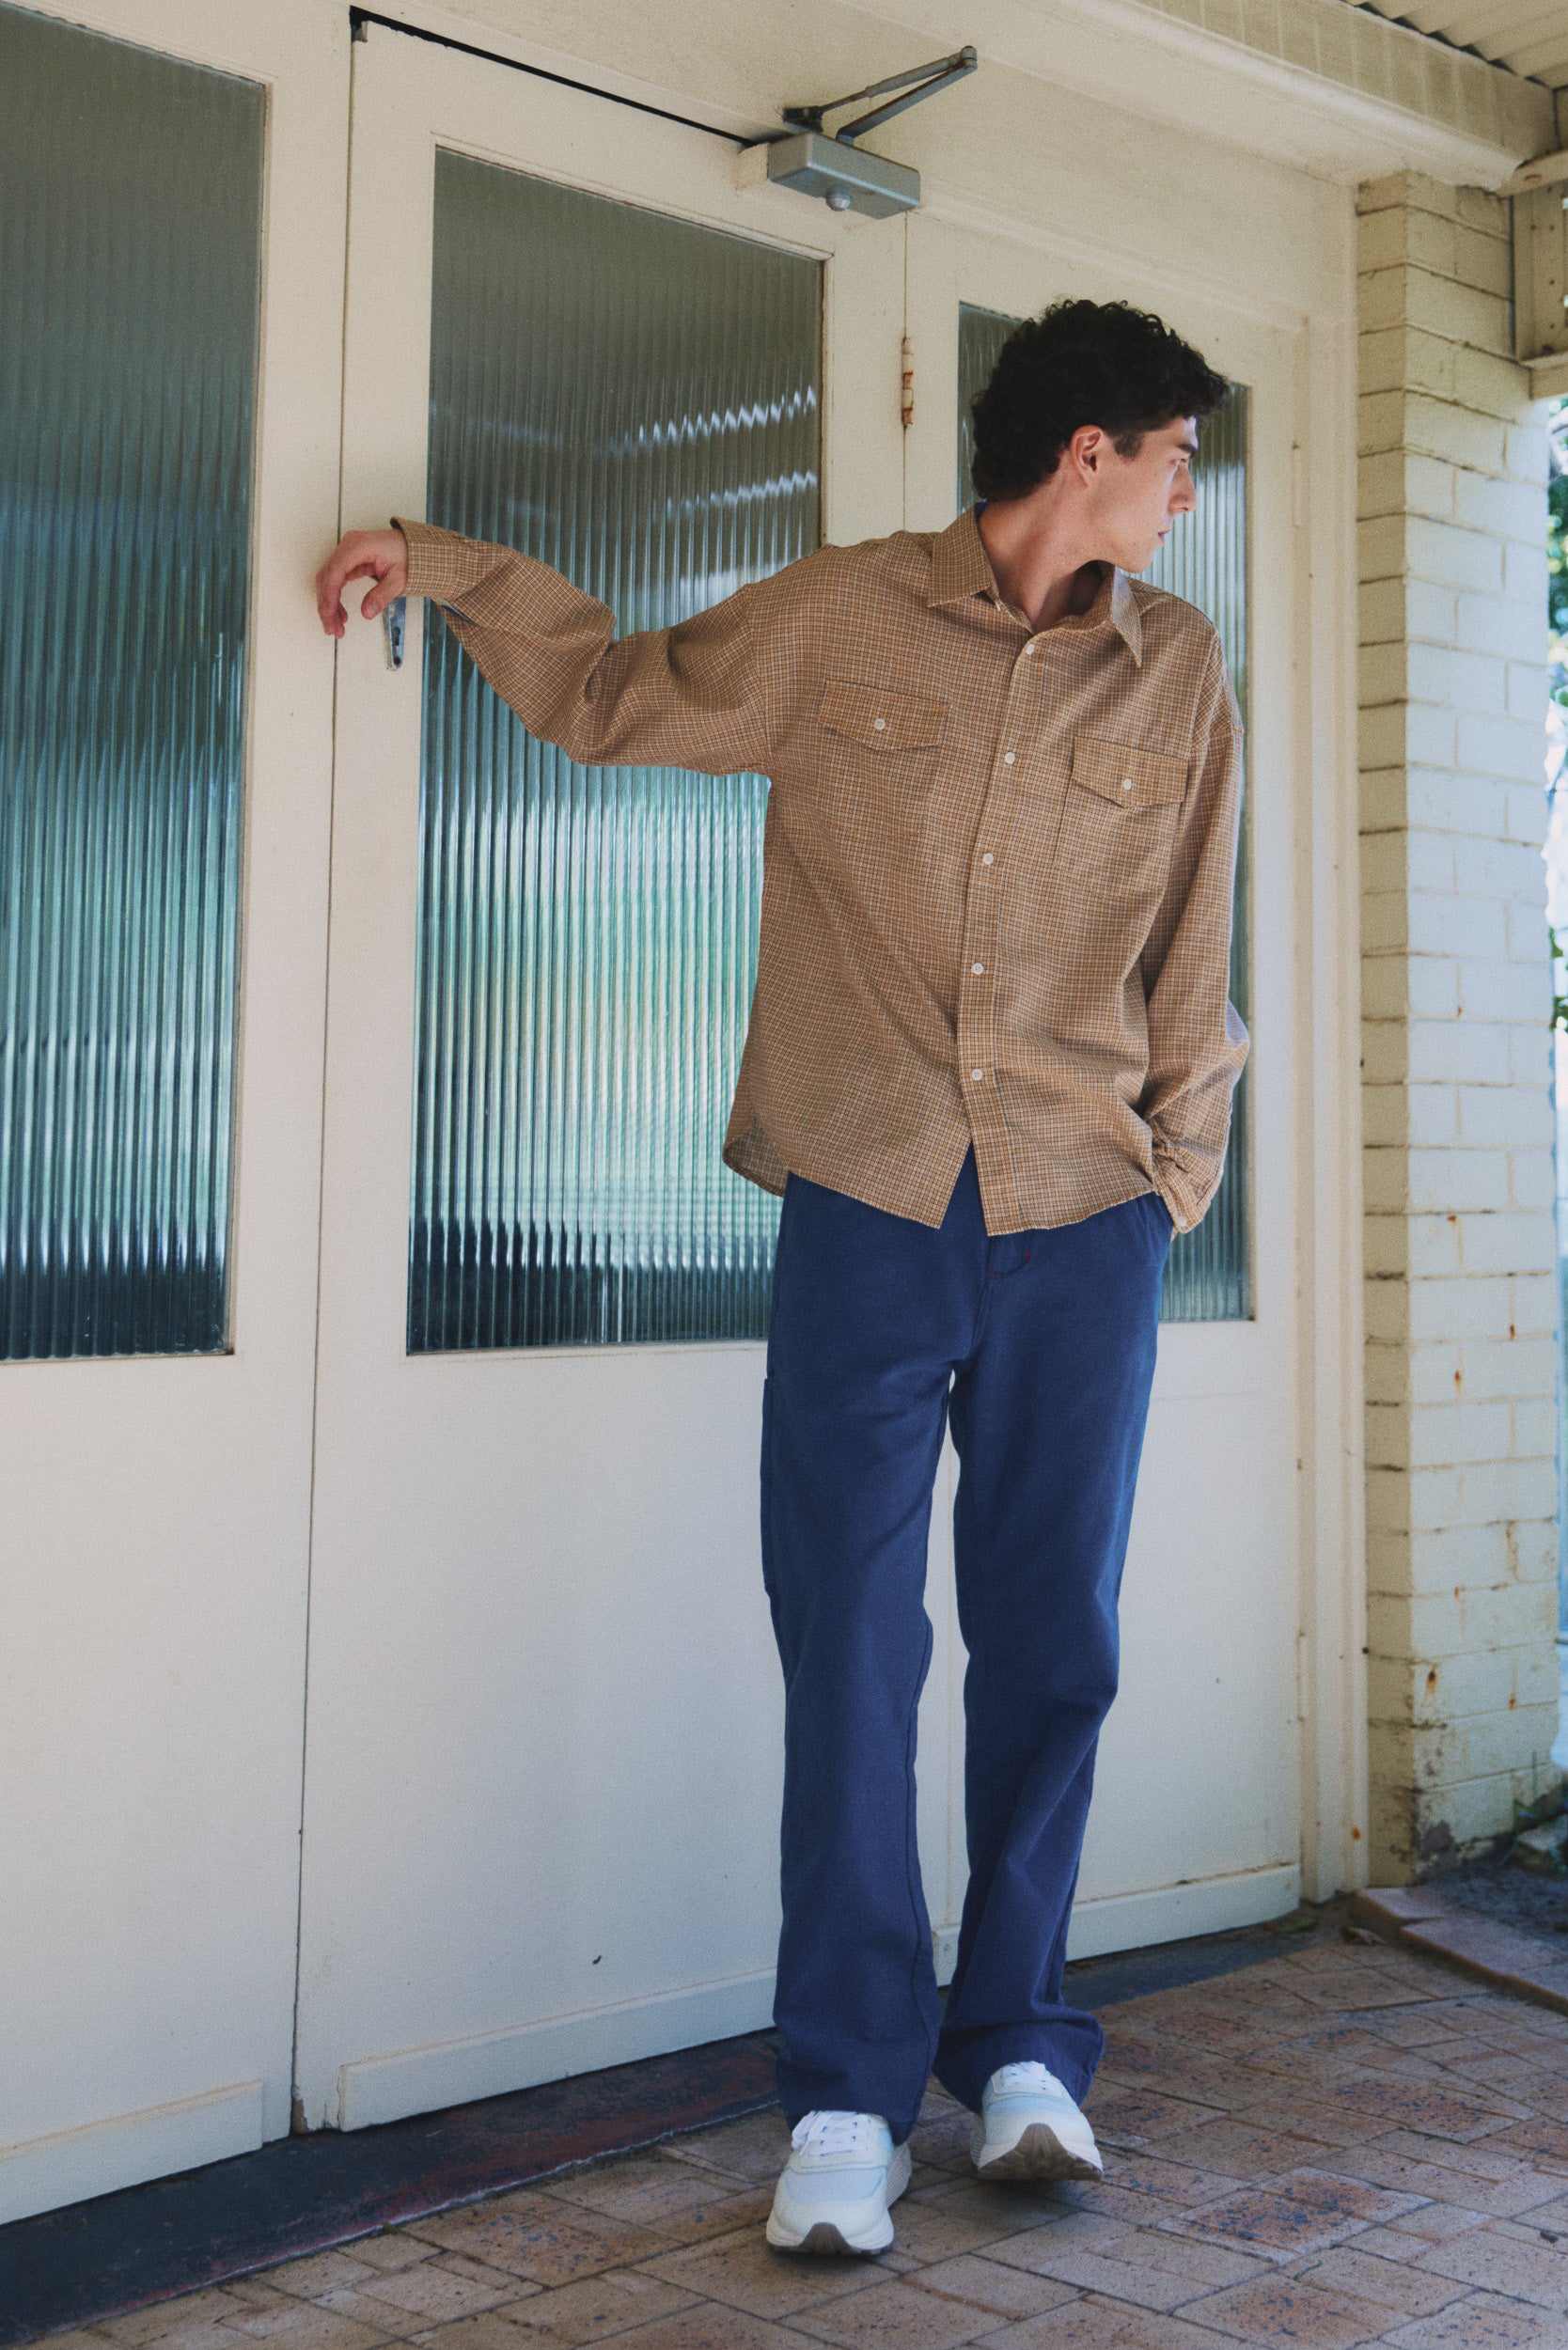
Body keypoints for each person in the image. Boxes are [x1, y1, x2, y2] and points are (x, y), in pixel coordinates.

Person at [315, 297, 1248, 2259]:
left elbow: (1193, 949)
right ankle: (844, 2085)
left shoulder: (1180, 672)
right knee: (852, 1645)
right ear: (1088, 450)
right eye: (1177, 454)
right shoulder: (840, 618)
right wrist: (449, 566)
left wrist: (1179, 1175)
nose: (1187, 493)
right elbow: (621, 690)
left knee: (1051, 1643)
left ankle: (1017, 2046)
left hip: (1083, 1212)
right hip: (871, 1199)